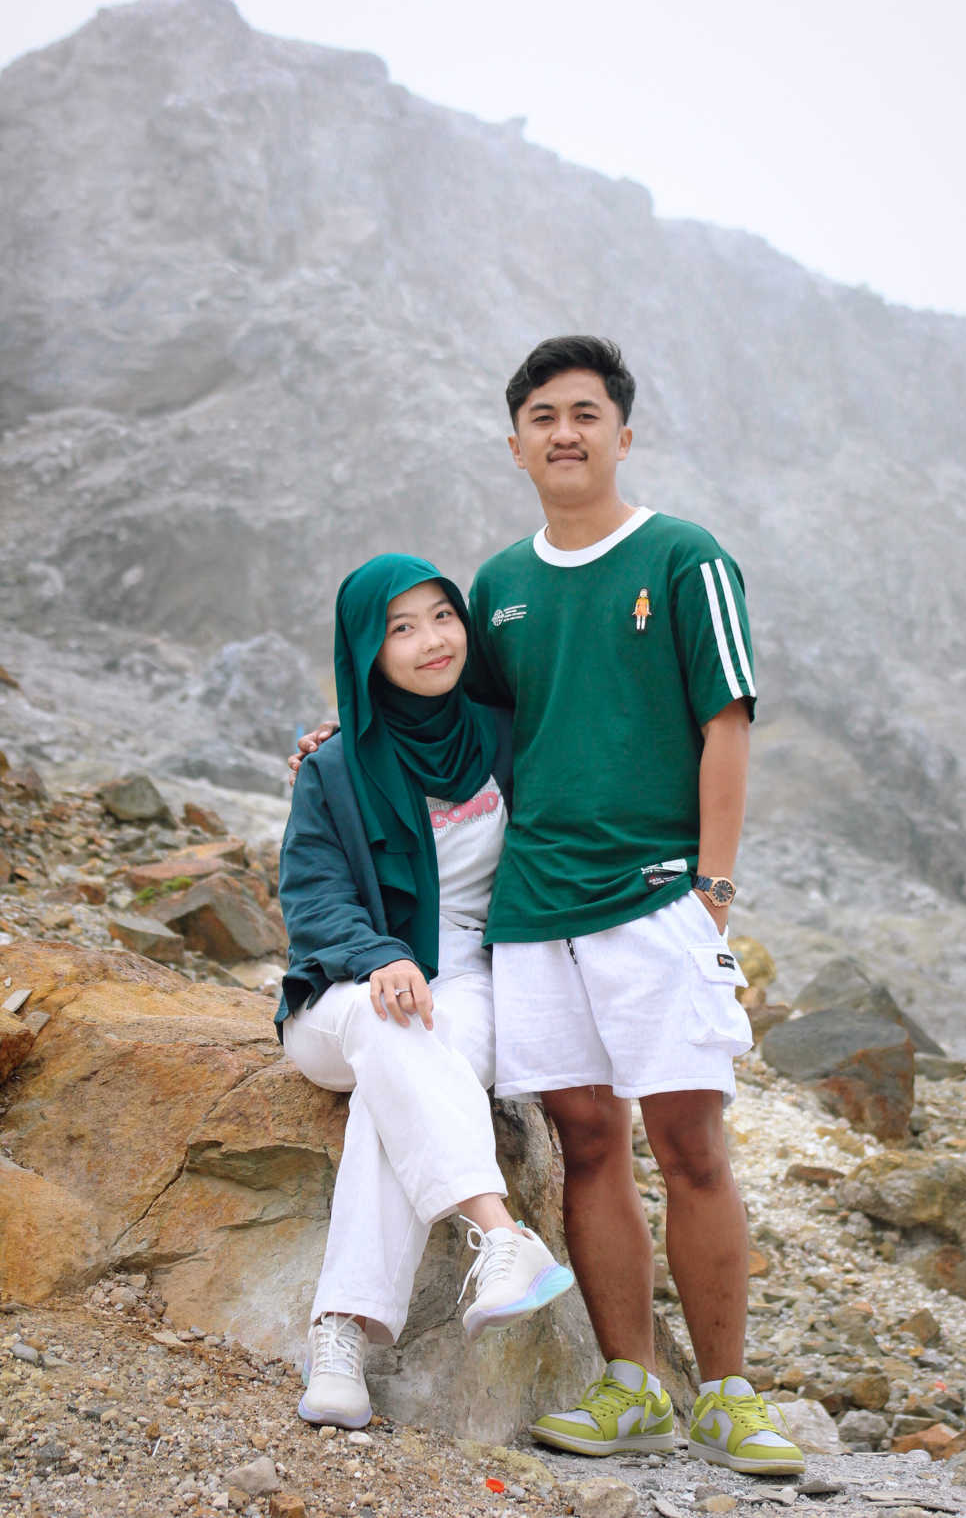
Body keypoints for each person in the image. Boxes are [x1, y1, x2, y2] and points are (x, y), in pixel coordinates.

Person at [291, 338, 804, 1476]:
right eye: (542, 416)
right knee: (588, 1143)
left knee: (690, 1142)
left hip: (657, 896)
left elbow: (727, 723)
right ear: (515, 444)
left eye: (584, 412)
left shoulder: (683, 557)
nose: (564, 431)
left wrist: (714, 891)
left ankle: (729, 1395)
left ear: (623, 432)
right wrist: (342, 734)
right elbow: (444, 717)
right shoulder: (497, 586)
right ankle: (630, 1387)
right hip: (530, 916)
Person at [277, 552, 573, 1431]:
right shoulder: (334, 766)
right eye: (400, 628)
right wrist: (378, 955)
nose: (431, 640)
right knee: (389, 1023)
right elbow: (312, 897)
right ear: (367, 650)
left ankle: (340, 1337)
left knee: (396, 1089)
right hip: (342, 992)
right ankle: (500, 1231)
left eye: (443, 616)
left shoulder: (504, 736)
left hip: (474, 977)